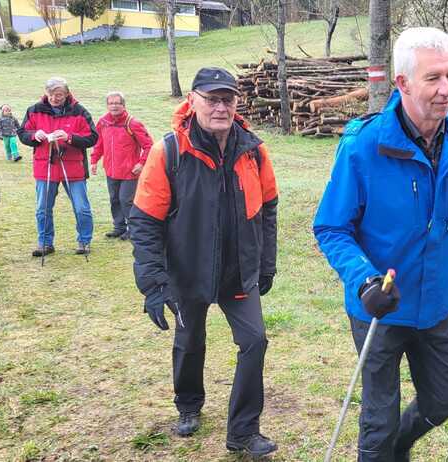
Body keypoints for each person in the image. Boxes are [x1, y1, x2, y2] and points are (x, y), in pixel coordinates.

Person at [313, 27, 448, 461]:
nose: (446, 89)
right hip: (379, 308)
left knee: (444, 399)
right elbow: (331, 228)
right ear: (403, 83)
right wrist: (364, 281)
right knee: (379, 419)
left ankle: (399, 447)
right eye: (433, 78)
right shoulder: (364, 145)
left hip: (434, 305)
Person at [129, 67, 279, 457]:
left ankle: (243, 432)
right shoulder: (169, 151)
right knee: (190, 340)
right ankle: (189, 405)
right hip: (187, 270)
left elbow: (268, 208)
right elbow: (144, 221)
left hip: (238, 271)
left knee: (255, 341)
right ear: (192, 101)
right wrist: (154, 283)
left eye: (227, 99)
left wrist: (266, 263)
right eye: (212, 100)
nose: (220, 108)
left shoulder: (253, 150)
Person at [18, 77, 98, 257]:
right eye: (51, 94)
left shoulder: (79, 111)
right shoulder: (34, 110)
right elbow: (22, 133)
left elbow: (92, 137)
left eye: (59, 95)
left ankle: (84, 241)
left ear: (67, 94)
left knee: (81, 208)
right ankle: (45, 243)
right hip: (45, 166)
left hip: (73, 168)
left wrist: (70, 137)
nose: (54, 98)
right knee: (43, 208)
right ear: (46, 93)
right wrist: (34, 136)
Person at [91, 91, 153, 240]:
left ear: (123, 105)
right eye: (111, 103)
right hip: (111, 170)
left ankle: (134, 229)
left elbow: (149, 145)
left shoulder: (132, 123)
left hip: (129, 172)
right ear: (107, 105)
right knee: (114, 199)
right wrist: (94, 160)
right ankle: (119, 227)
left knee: (126, 200)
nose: (114, 106)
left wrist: (141, 163)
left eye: (117, 103)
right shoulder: (103, 122)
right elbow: (99, 143)